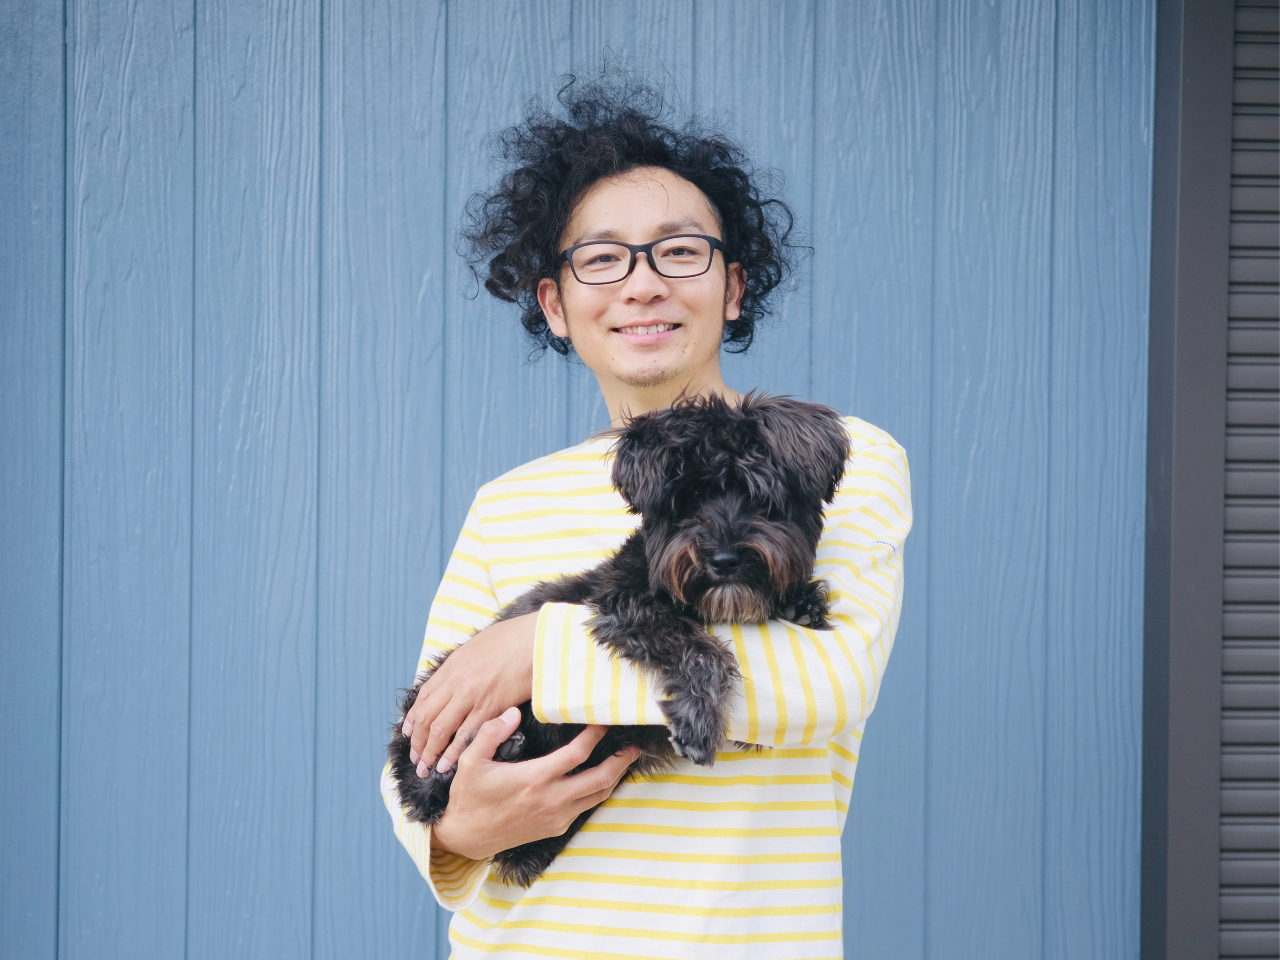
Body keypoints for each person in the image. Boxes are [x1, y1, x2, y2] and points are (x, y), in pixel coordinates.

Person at [381, 77, 912, 959]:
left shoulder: (834, 458)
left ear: (734, 287)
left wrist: (536, 649)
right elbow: (429, 735)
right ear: (555, 305)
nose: (643, 284)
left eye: (679, 252)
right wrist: (462, 832)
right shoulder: (507, 503)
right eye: (602, 259)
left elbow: (829, 684)